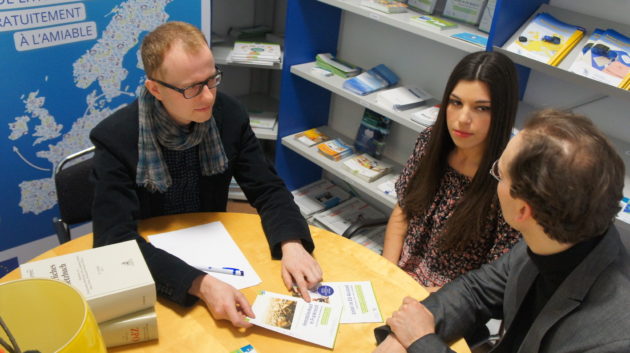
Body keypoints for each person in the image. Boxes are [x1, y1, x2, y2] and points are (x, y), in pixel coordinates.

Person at [90, 21, 322, 328]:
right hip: (155, 266)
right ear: (155, 88)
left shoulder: (229, 114)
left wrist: (291, 242)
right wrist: (200, 284)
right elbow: (113, 240)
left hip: (215, 249)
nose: (208, 97)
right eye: (191, 88)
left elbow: (267, 187)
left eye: (212, 80)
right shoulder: (116, 137)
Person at [374, 109, 630, 353]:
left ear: (523, 212)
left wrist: (421, 341)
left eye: (499, 172)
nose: (494, 176)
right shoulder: (551, 240)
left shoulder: (613, 340)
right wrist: (402, 333)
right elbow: (476, 290)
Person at [382, 51, 521, 291]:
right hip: (399, 278)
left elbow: (494, 274)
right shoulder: (430, 140)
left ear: (502, 113)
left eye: (481, 108)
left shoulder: (509, 178)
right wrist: (386, 274)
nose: (462, 119)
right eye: (456, 103)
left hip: (454, 299)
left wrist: (422, 299)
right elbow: (403, 208)